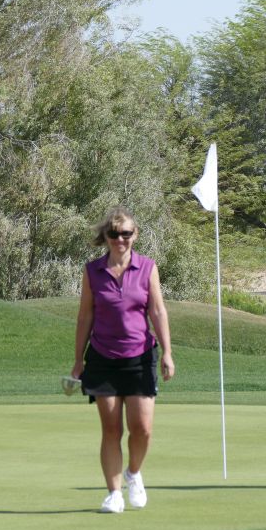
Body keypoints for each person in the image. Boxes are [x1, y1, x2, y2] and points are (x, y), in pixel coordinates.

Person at [71, 206, 175, 513]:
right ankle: (114, 492)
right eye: (114, 234)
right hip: (103, 357)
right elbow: (85, 315)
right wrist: (78, 359)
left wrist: (167, 353)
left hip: (140, 356)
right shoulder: (93, 271)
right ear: (105, 236)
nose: (120, 240)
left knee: (142, 428)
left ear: (135, 235)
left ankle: (133, 473)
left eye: (126, 234)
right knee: (111, 429)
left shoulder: (147, 268)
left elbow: (157, 311)